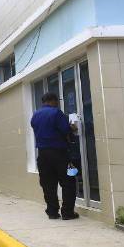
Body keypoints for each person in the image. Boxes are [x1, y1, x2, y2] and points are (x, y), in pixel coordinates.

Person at [30, 92, 79, 220]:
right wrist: (73, 128)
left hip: (43, 154)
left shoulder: (35, 115)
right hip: (60, 153)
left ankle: (52, 212)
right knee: (69, 181)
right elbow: (65, 130)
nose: (57, 104)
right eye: (56, 101)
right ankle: (67, 212)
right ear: (53, 101)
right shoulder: (56, 112)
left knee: (48, 184)